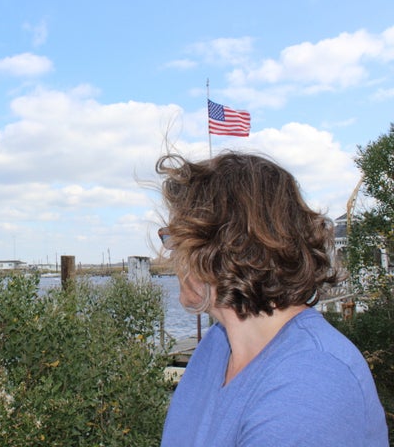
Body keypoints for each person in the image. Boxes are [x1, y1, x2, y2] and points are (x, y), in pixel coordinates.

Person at [156, 151, 388, 446]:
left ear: (223, 247)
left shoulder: (312, 381)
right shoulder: (215, 348)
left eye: (175, 238)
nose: (168, 254)